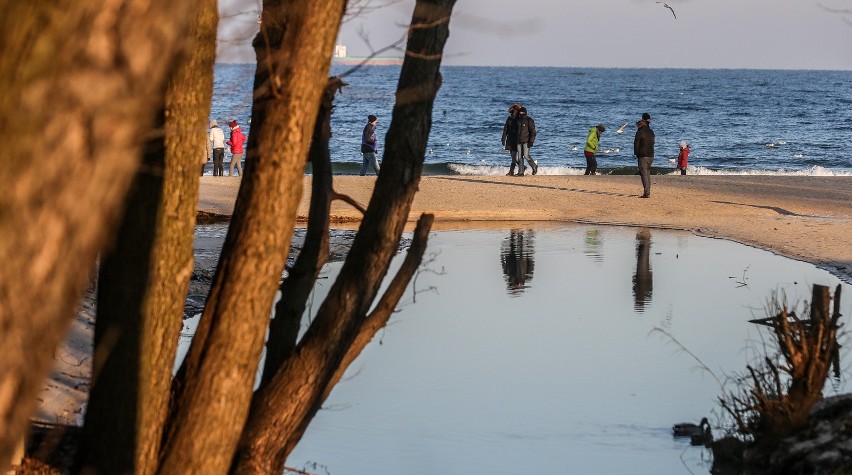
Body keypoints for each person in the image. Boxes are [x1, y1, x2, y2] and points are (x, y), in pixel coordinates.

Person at [633, 113, 655, 198]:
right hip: (651, 155)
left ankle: (647, 193)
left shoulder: (640, 132)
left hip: (643, 155)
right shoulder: (651, 131)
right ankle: (648, 190)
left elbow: (636, 144)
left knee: (643, 173)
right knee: (647, 172)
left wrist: (636, 154)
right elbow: (653, 142)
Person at [515, 107, 538, 176]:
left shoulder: (529, 120)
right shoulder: (517, 120)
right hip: (518, 141)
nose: (521, 113)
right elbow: (515, 131)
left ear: (525, 112)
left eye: (522, 112)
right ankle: (521, 172)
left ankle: (534, 166)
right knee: (519, 157)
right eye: (520, 112)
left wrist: (531, 141)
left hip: (526, 141)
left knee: (526, 156)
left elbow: (533, 132)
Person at [501, 103, 522, 176]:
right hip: (510, 139)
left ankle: (511, 171)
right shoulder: (509, 118)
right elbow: (505, 129)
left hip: (517, 140)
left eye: (516, 109)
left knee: (514, 156)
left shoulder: (520, 118)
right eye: (514, 109)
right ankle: (522, 167)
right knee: (513, 156)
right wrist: (503, 138)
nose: (515, 111)